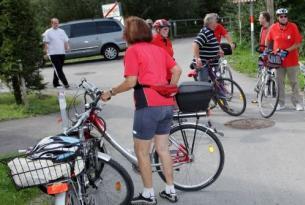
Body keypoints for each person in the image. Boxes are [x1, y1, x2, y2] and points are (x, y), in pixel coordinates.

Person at [101, 16, 182, 205]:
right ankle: (171, 190)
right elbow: (177, 70)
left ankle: (148, 193)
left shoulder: (132, 51)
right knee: (163, 149)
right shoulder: (158, 49)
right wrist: (169, 88)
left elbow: (131, 82)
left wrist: (110, 92)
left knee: (142, 153)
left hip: (147, 107)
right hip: (166, 105)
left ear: (129, 34)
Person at [265, 8, 303, 111]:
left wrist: (287, 50)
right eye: (281, 16)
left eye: (285, 16)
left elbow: (298, 43)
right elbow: (267, 41)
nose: (283, 18)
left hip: (292, 60)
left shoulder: (293, 26)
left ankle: (298, 103)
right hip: (278, 61)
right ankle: (281, 103)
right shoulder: (273, 28)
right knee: (279, 82)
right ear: (278, 18)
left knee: (294, 82)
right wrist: (267, 51)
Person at [192, 13, 223, 81]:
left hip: (212, 63)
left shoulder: (211, 32)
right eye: (216, 21)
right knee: (205, 85)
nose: (217, 23)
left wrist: (219, 50)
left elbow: (214, 44)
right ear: (210, 22)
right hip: (203, 64)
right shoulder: (205, 32)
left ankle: (217, 91)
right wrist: (197, 58)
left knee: (219, 82)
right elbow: (195, 44)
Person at [43, 18, 70, 88]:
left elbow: (65, 40)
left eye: (57, 23)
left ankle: (55, 83)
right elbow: (45, 43)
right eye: (55, 23)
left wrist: (67, 47)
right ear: (51, 24)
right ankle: (65, 83)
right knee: (58, 69)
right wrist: (45, 53)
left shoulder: (62, 31)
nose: (56, 24)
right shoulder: (48, 32)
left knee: (59, 68)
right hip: (52, 54)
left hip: (61, 52)